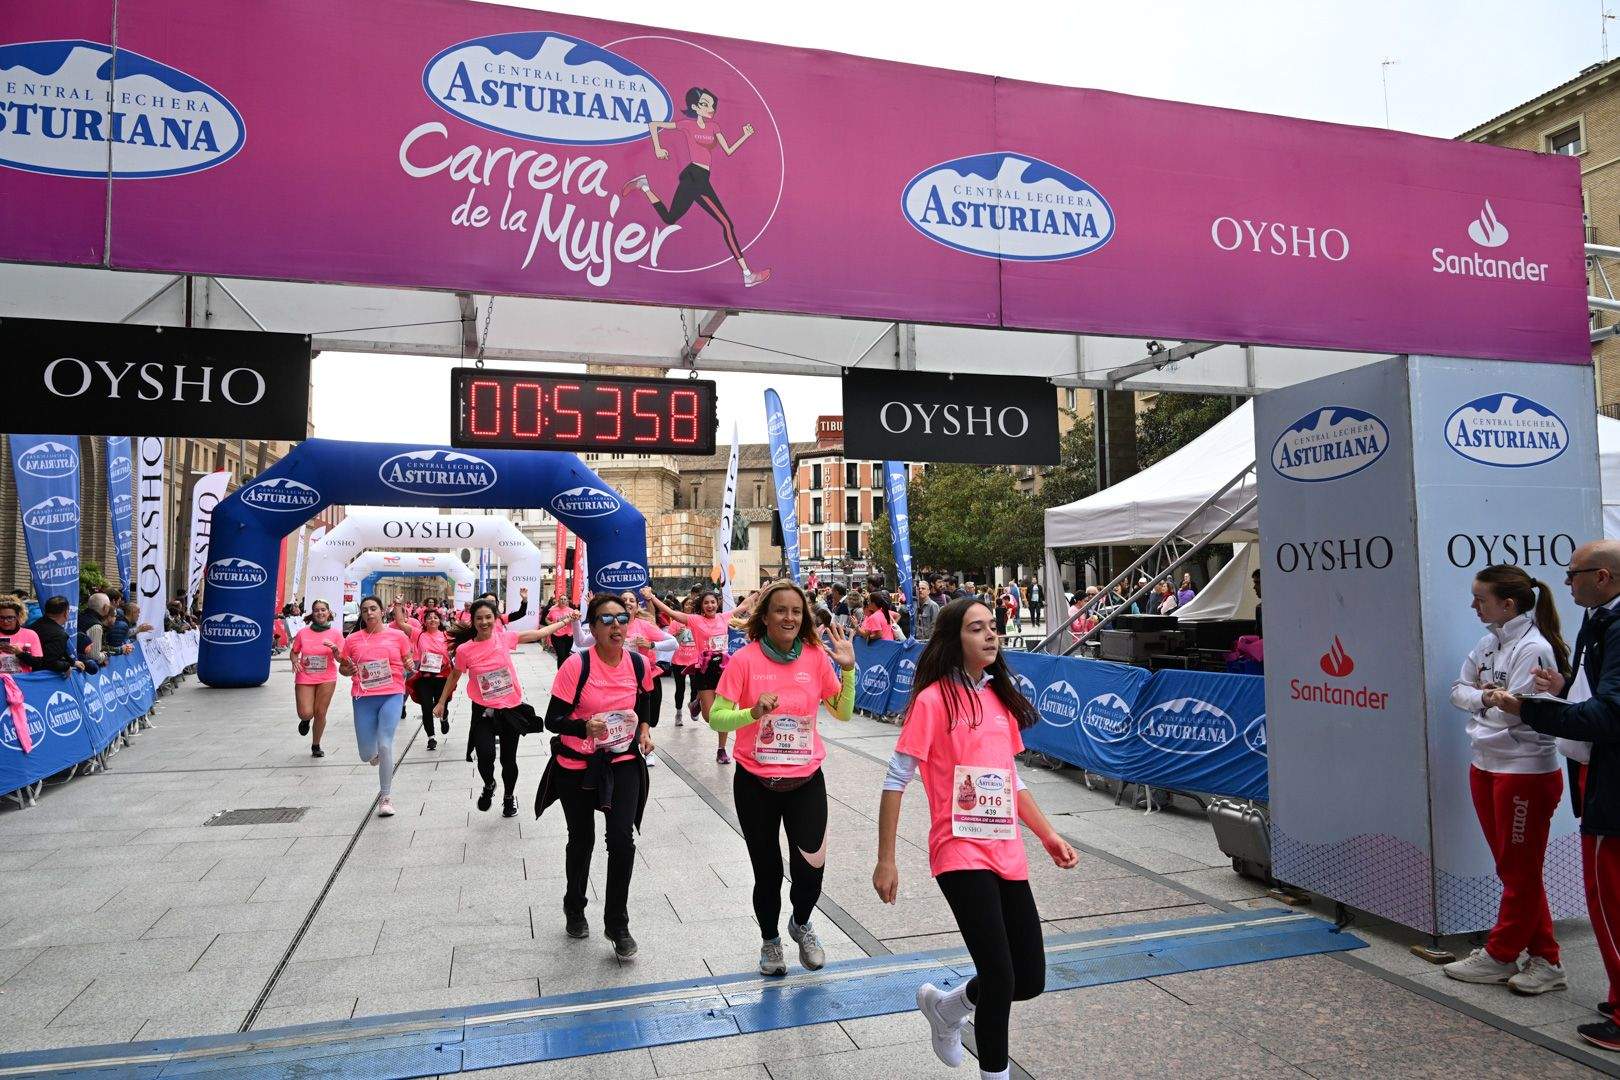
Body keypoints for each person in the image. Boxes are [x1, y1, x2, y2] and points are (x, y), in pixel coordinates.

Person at [873, 599, 1078, 1080]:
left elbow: (1011, 780)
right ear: (954, 639)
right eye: (976, 628)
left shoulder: (999, 699)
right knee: (1000, 975)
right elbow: (895, 779)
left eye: (993, 627)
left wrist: (1047, 834)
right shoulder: (932, 701)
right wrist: (886, 859)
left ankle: (948, 1008)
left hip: (1006, 849)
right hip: (958, 850)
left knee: (1028, 979)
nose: (990, 635)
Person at [1489, 541, 1620, 1050]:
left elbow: (1609, 714)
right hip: (1597, 774)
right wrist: (1563, 688)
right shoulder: (1598, 620)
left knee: (1607, 898)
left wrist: (1529, 708)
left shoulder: (1613, 624)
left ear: (1603, 577)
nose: (1565, 583)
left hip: (1610, 782)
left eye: (1573, 573)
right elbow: (1596, 696)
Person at [708, 580, 858, 975]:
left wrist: (848, 670)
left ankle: (801, 922)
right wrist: (753, 713)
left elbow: (842, 712)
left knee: (811, 871)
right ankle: (770, 941)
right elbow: (716, 719)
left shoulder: (814, 657)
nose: (789, 617)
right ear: (765, 617)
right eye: (780, 610)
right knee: (768, 871)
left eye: (796, 611)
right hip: (755, 783)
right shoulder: (744, 661)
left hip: (805, 781)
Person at [1442, 565, 1569, 994]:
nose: (1473, 606)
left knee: (1519, 870)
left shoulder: (1534, 648)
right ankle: (1546, 959)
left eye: (1481, 599)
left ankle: (1501, 953)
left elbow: (1515, 712)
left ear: (1508, 604)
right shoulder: (1488, 642)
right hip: (1485, 764)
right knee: (1514, 870)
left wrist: (1482, 702)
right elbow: (1457, 691)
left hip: (1524, 770)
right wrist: (1485, 697)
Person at [535, 593, 657, 960]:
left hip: (622, 762)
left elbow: (646, 702)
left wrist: (645, 731)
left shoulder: (638, 663)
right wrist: (584, 726)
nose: (615, 625)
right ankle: (574, 904)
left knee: (621, 840)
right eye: (606, 619)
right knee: (582, 839)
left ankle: (617, 923)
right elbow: (552, 719)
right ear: (592, 627)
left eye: (621, 618)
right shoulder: (577, 665)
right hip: (577, 765)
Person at [436, 600, 573, 817]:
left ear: (496, 619)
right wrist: (442, 702)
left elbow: (539, 633)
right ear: (472, 620)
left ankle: (509, 797)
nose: (484, 622)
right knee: (485, 755)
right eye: (479, 618)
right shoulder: (464, 650)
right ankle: (489, 784)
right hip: (483, 711)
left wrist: (566, 621)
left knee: (508, 761)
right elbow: (454, 676)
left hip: (510, 709)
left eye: (488, 617)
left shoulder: (504, 638)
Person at [624, 87, 771, 288]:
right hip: (694, 176)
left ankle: (645, 186)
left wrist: (744, 135)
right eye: (705, 104)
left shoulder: (714, 127)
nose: (710, 109)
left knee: (670, 218)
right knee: (726, 224)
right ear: (695, 107)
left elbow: (728, 150)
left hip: (701, 179)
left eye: (712, 105)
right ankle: (747, 274)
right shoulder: (687, 125)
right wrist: (658, 148)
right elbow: (654, 125)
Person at [643, 587, 751, 764]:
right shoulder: (694, 620)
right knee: (710, 718)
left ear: (717, 604)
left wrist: (762, 591)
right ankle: (697, 703)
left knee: (724, 714)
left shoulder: (724, 617)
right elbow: (670, 612)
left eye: (713, 602)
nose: (710, 605)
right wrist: (652, 597)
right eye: (706, 602)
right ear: (701, 605)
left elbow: (744, 605)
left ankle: (721, 749)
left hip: (724, 669)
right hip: (704, 670)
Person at [337, 596, 415, 818]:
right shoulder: (352, 639)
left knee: (385, 744)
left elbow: (408, 660)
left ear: (382, 611)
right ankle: (374, 755)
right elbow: (343, 668)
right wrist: (347, 670)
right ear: (361, 615)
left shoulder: (398, 636)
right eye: (365, 610)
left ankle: (385, 798)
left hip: (392, 693)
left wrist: (409, 664)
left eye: (373, 609)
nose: (369, 613)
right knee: (366, 754)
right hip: (363, 698)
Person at [620, 591, 672, 766]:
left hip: (648, 676)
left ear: (636, 607)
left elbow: (673, 643)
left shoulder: (645, 625)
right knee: (633, 715)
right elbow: (584, 641)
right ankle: (643, 747)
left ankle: (644, 737)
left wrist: (651, 644)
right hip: (622, 680)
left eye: (631, 600)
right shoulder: (613, 625)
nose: (628, 602)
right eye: (624, 600)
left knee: (652, 718)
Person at [291, 600, 343, 759]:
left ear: (328, 613)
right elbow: (294, 651)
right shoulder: (303, 633)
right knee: (306, 712)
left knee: (320, 712)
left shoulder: (336, 634)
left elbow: (341, 659)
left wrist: (335, 650)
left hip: (327, 677)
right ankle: (305, 720)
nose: (320, 613)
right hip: (305, 676)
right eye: (316, 610)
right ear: (312, 614)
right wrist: (294, 660)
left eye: (323, 610)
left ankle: (316, 744)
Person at [412, 608, 451, 751]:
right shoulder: (419, 634)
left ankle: (444, 718)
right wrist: (398, 604)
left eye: (435, 617)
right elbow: (401, 623)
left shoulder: (447, 635)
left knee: (442, 704)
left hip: (442, 677)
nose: (432, 619)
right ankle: (431, 738)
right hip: (425, 678)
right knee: (426, 707)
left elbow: (457, 648)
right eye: (429, 617)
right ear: (424, 621)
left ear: (440, 621)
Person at [25, 596, 83, 674]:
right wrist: (66, 666)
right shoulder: (59, 635)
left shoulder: (34, 625)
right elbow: (49, 662)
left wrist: (72, 662)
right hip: (39, 676)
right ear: (65, 613)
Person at [667, 595, 700, 726]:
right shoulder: (676, 622)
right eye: (687, 604)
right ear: (683, 606)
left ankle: (693, 706)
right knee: (680, 688)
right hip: (679, 660)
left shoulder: (698, 620)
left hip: (694, 660)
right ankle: (679, 713)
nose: (689, 606)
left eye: (692, 604)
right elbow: (669, 640)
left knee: (695, 687)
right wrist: (677, 634)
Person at [0, 597, 44, 675]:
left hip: (21, 680)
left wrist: (20, 653)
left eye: (10, 618)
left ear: (18, 617)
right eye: (1, 617)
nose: (5, 621)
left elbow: (38, 663)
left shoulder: (30, 634)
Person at [546, 594, 576, 665]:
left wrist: (576, 618)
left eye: (565, 599)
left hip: (568, 635)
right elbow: (547, 618)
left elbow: (575, 620)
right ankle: (561, 671)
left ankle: (565, 670)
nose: (563, 601)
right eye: (561, 599)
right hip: (556, 636)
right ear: (558, 601)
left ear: (567, 601)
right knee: (561, 656)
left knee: (566, 655)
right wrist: (550, 623)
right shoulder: (553, 610)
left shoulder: (571, 611)